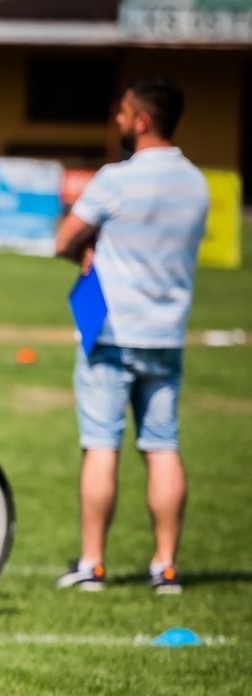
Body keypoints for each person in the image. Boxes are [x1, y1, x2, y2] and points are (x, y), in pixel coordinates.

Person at [52, 77, 207, 596]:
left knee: (102, 446)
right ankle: (165, 567)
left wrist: (86, 250)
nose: (117, 120)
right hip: (166, 335)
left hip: (111, 332)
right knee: (162, 447)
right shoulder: (197, 184)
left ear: (141, 120)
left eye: (122, 112)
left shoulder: (115, 179)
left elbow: (63, 240)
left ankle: (93, 564)